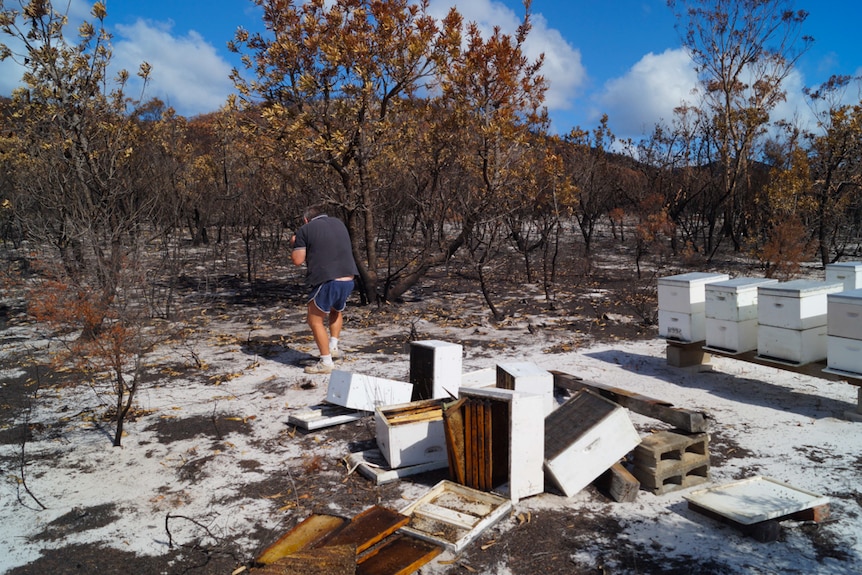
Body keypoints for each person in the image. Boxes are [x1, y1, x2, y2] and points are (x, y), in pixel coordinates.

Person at [290, 204, 359, 374]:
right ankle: (333, 346)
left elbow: (298, 260)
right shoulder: (339, 223)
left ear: (306, 219)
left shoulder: (305, 229)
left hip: (327, 279)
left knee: (314, 319)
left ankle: (326, 362)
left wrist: (295, 243)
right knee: (336, 310)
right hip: (349, 277)